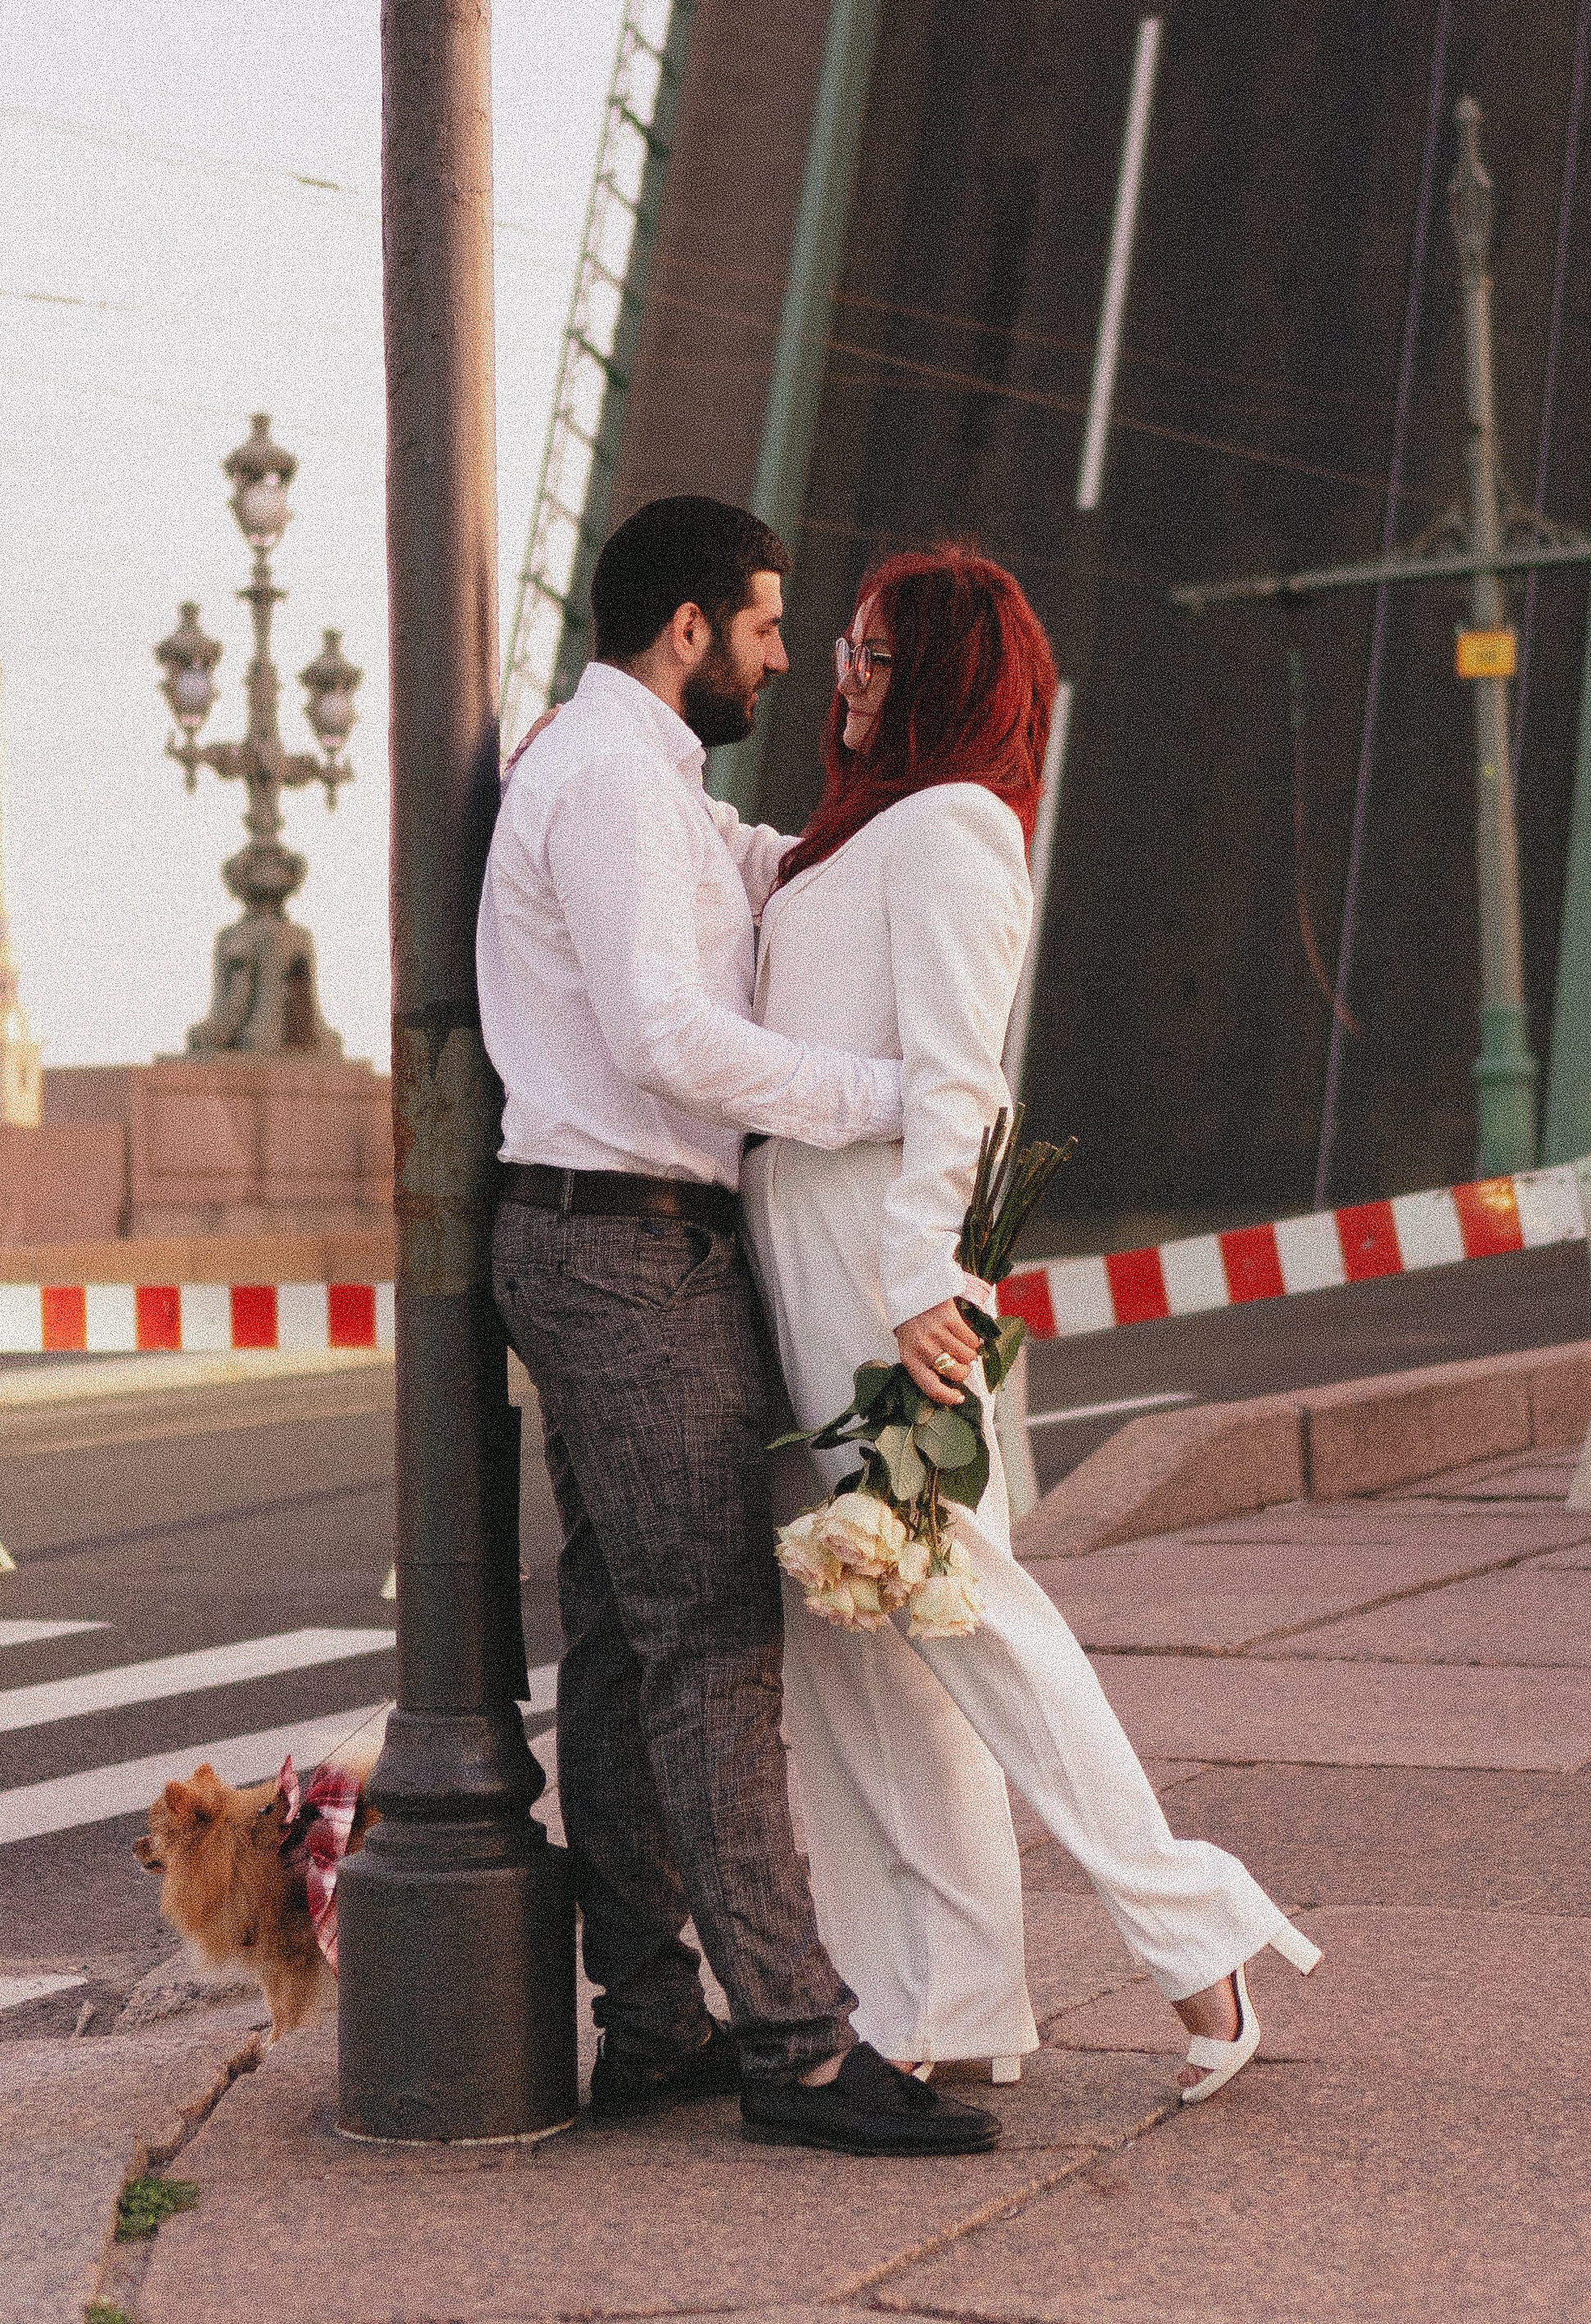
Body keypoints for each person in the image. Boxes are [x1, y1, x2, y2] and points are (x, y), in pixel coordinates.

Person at [742, 542, 1320, 2105]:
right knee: (861, 1640)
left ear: (936, 673)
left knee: (967, 1609)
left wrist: (930, 1277)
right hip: (802, 1246)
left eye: (872, 653)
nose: (844, 676)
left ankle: (1192, 1934)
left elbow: (962, 1075)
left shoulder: (951, 830)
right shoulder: (847, 838)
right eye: (847, 649)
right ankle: (940, 1997)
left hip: (880, 1262)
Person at [476, 495, 999, 2159]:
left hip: (610, 1241)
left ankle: (650, 2023)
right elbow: (661, 1036)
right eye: (769, 628)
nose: (786, 657)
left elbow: (769, 880)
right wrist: (887, 1098)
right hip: (621, 1249)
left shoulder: (648, 780)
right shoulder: (616, 778)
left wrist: (882, 839)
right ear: (689, 629)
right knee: (710, 1642)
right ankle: (797, 2042)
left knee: (634, 1647)